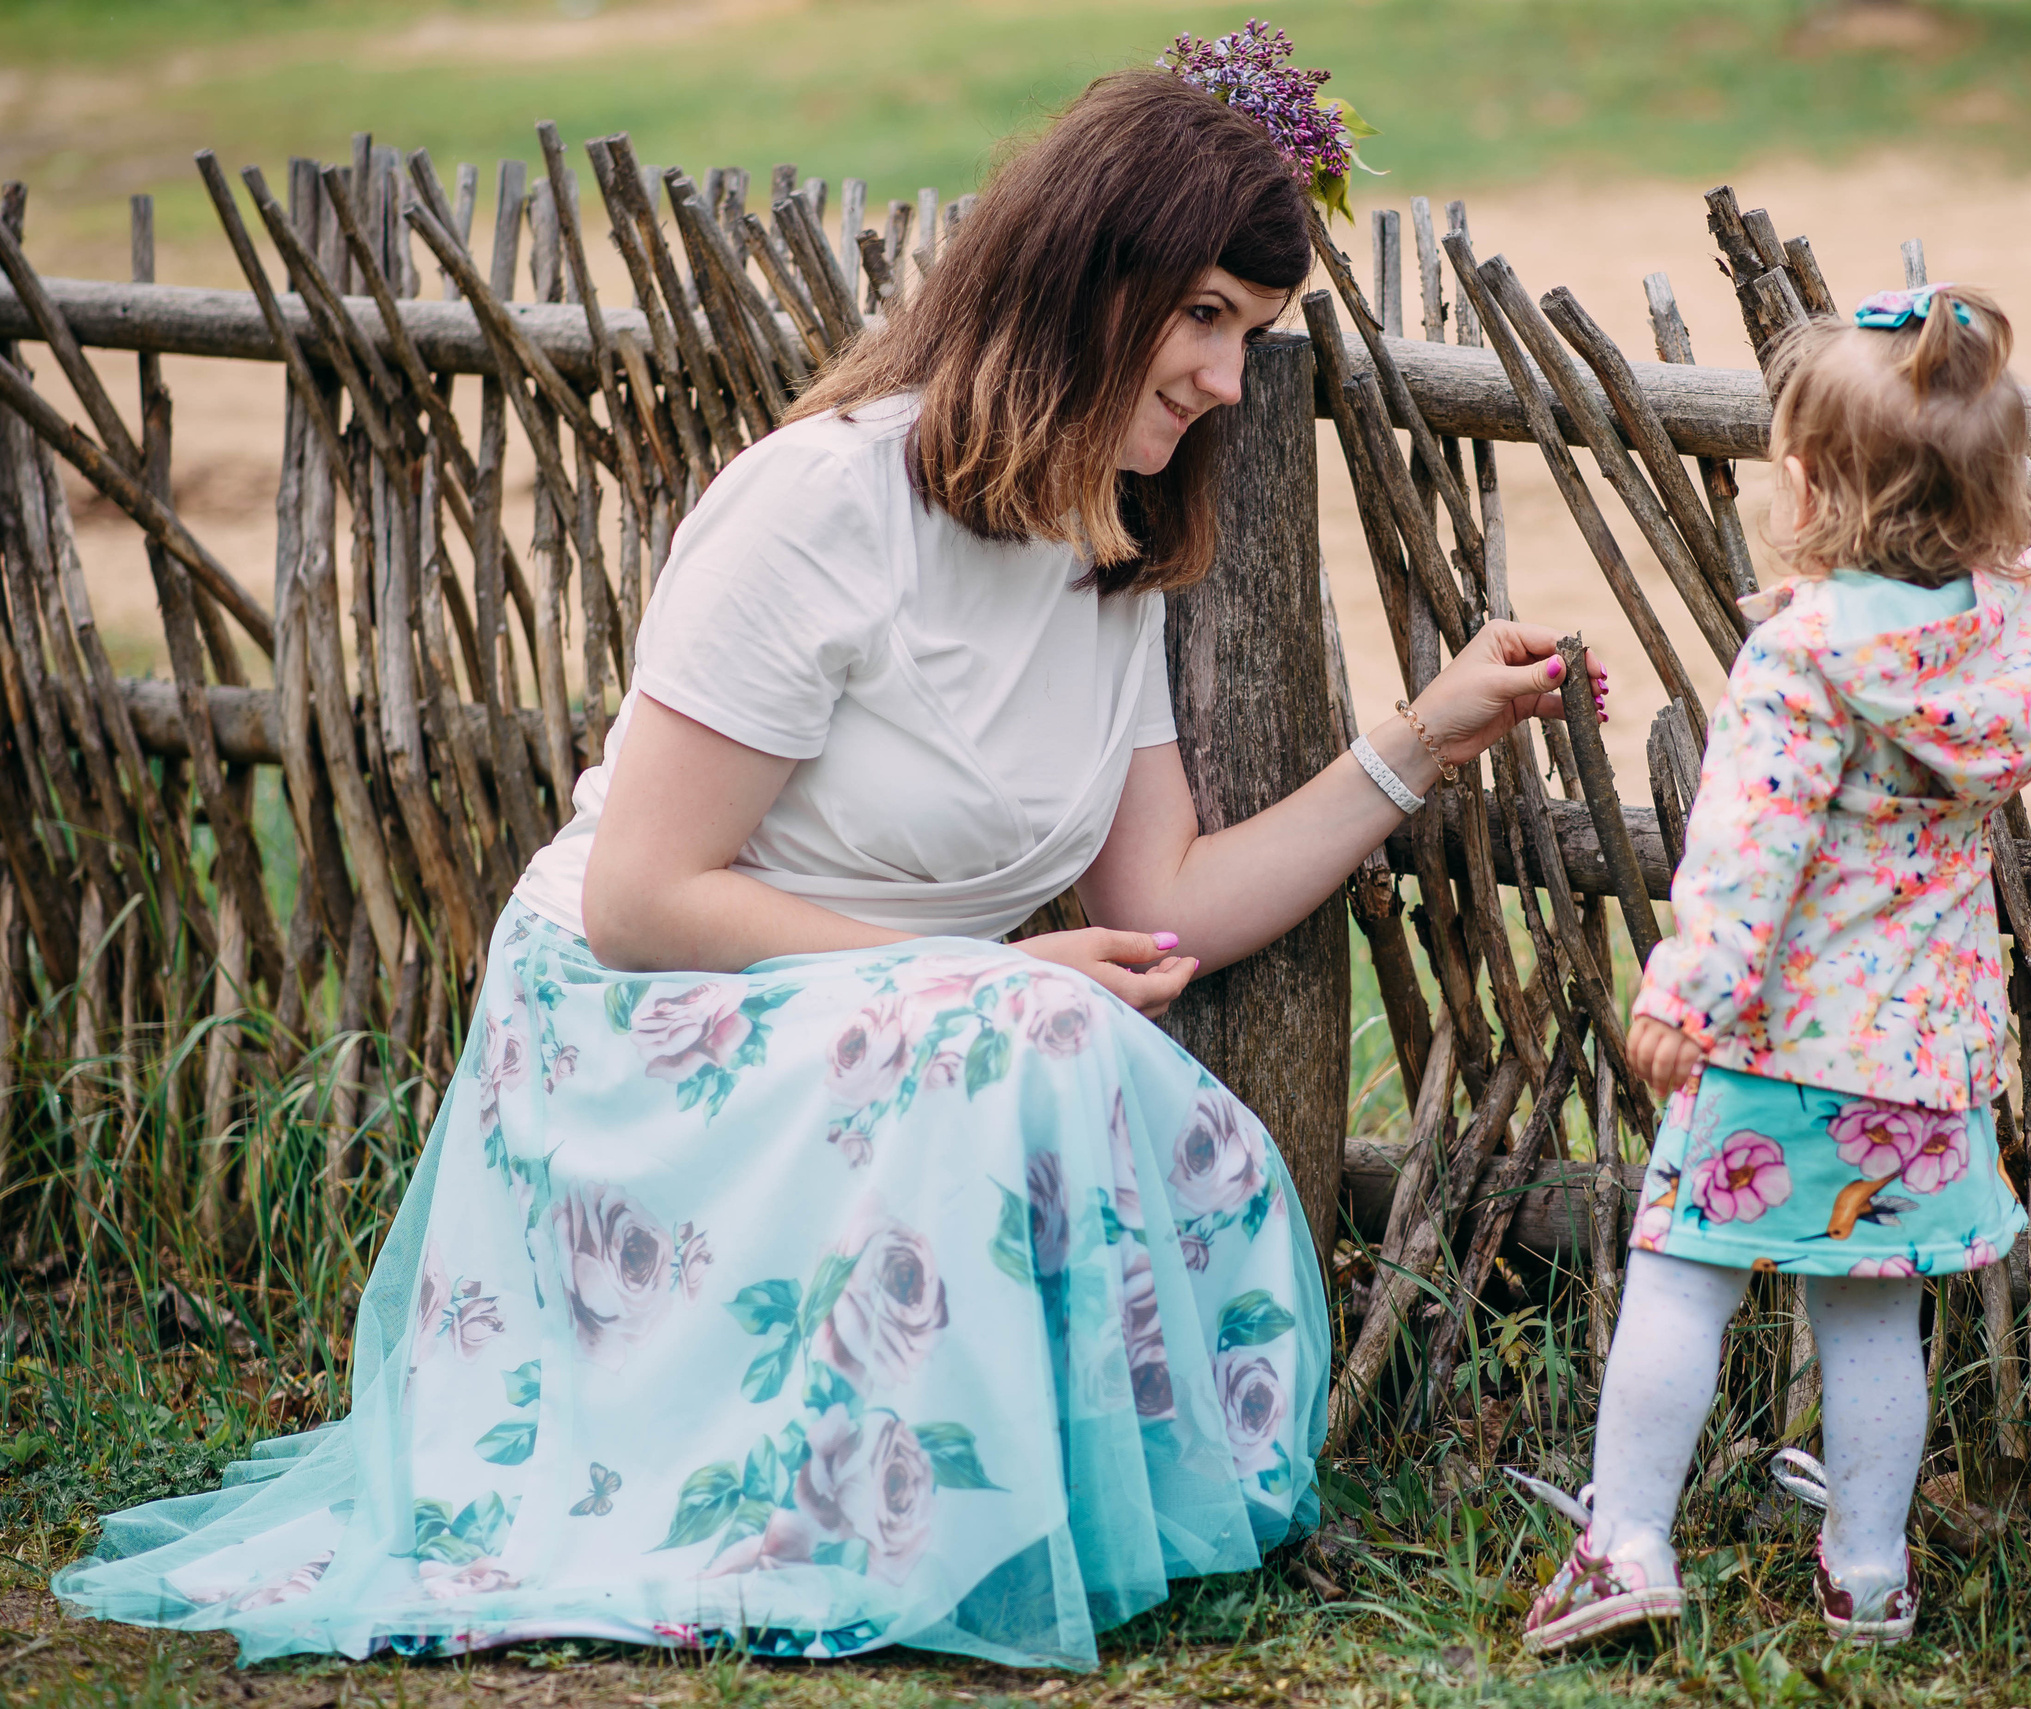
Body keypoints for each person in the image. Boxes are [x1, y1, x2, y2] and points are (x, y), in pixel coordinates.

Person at [55, 69, 1585, 1672]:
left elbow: (1166, 908)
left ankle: (1000, 1502)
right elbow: (646, 897)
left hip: (898, 1035)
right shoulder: (823, 505)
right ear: (1081, 270)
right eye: (1200, 315)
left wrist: (1421, 742)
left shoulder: (1107, 548)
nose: (1221, 377)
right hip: (645, 1025)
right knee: (1041, 1037)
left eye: (1250, 335)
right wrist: (970, 975)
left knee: (1133, 1090)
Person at [1520, 283, 2031, 1653]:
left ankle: (1624, 1545)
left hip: (1775, 1042)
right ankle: (1868, 1575)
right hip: (1921, 1065)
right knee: (1871, 1318)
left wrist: (1685, 994)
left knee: (1680, 1272)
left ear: (1802, 487)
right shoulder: (2006, 641)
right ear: (1993, 501)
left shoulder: (1801, 654)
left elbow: (1746, 847)